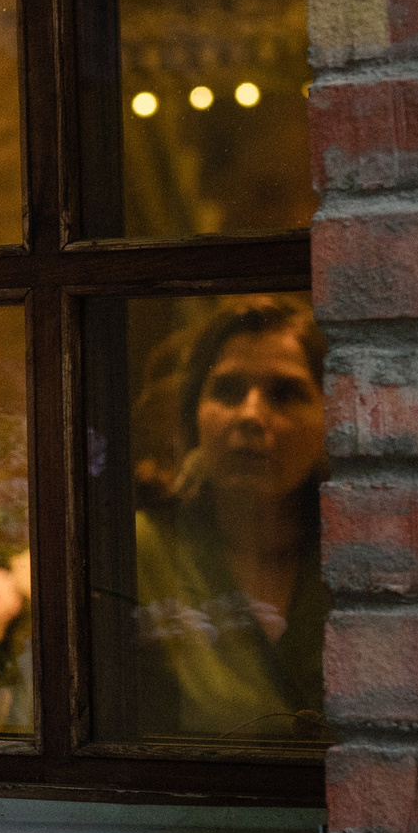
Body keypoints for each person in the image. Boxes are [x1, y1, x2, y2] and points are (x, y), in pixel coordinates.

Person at [130, 296, 330, 740]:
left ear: (330, 419)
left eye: (285, 393)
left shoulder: (357, 560)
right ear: (193, 415)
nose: (251, 415)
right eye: (227, 389)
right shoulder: (140, 554)